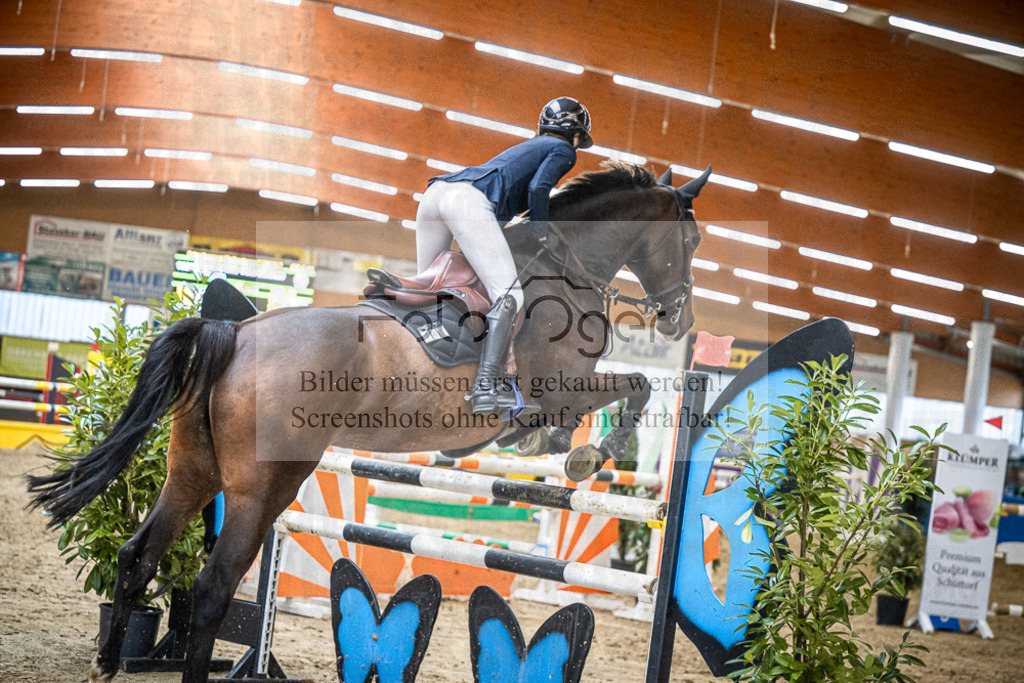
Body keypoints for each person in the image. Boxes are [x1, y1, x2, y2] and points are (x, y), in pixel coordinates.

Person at [414, 96, 594, 416]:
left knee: (430, 284)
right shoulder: (563, 150)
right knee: (510, 295)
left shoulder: (529, 148)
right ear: (577, 135)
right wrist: (541, 232)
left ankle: (421, 351)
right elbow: (539, 189)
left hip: (436, 193)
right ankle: (486, 386)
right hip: (468, 201)